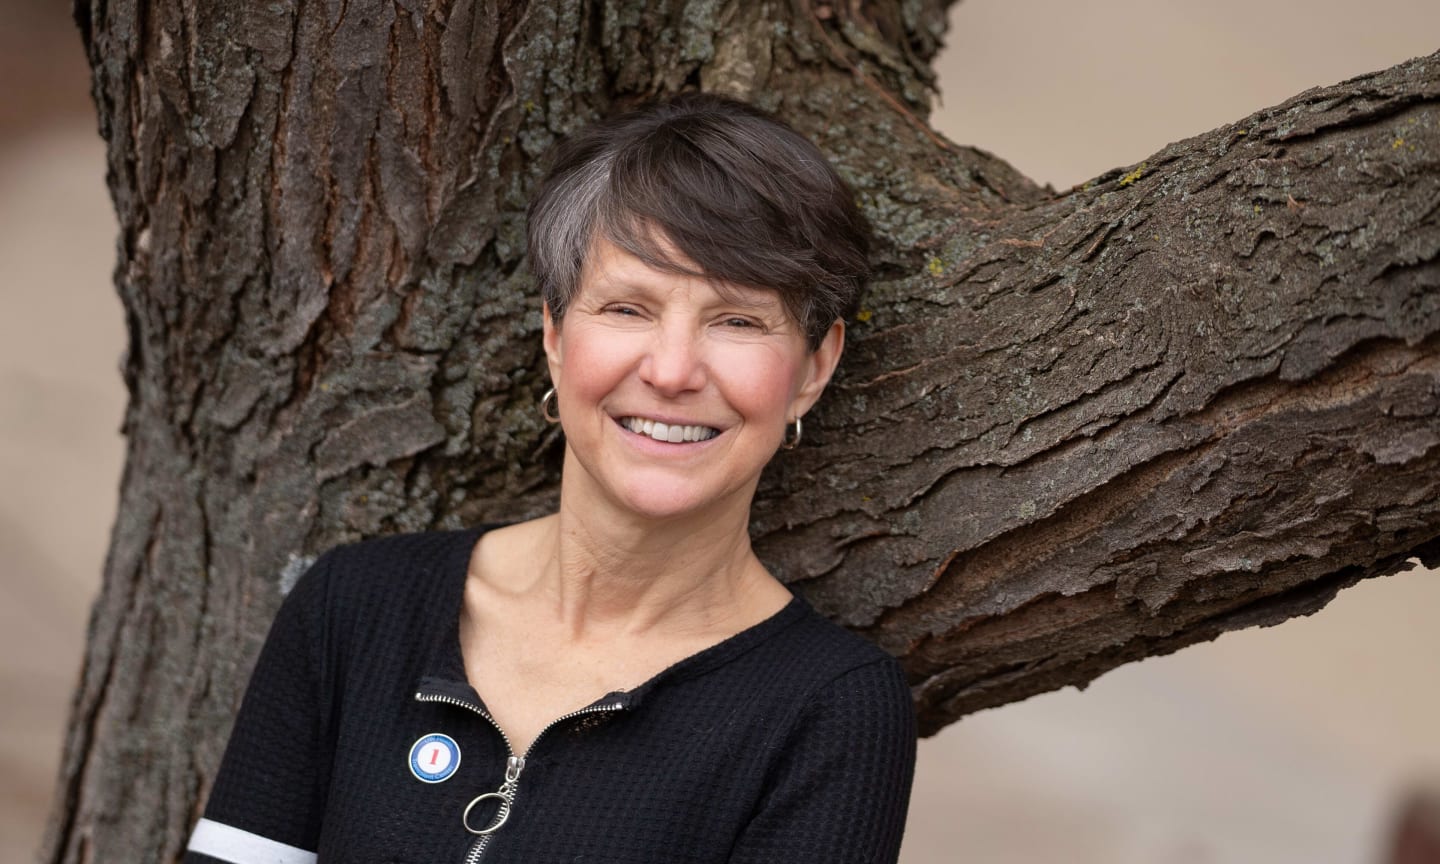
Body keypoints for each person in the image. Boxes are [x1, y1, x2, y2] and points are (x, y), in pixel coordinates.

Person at [184, 93, 916, 864]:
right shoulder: (355, 608)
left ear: (814, 367)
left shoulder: (831, 710)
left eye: (736, 320)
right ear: (556, 336)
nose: (671, 371)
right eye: (628, 307)